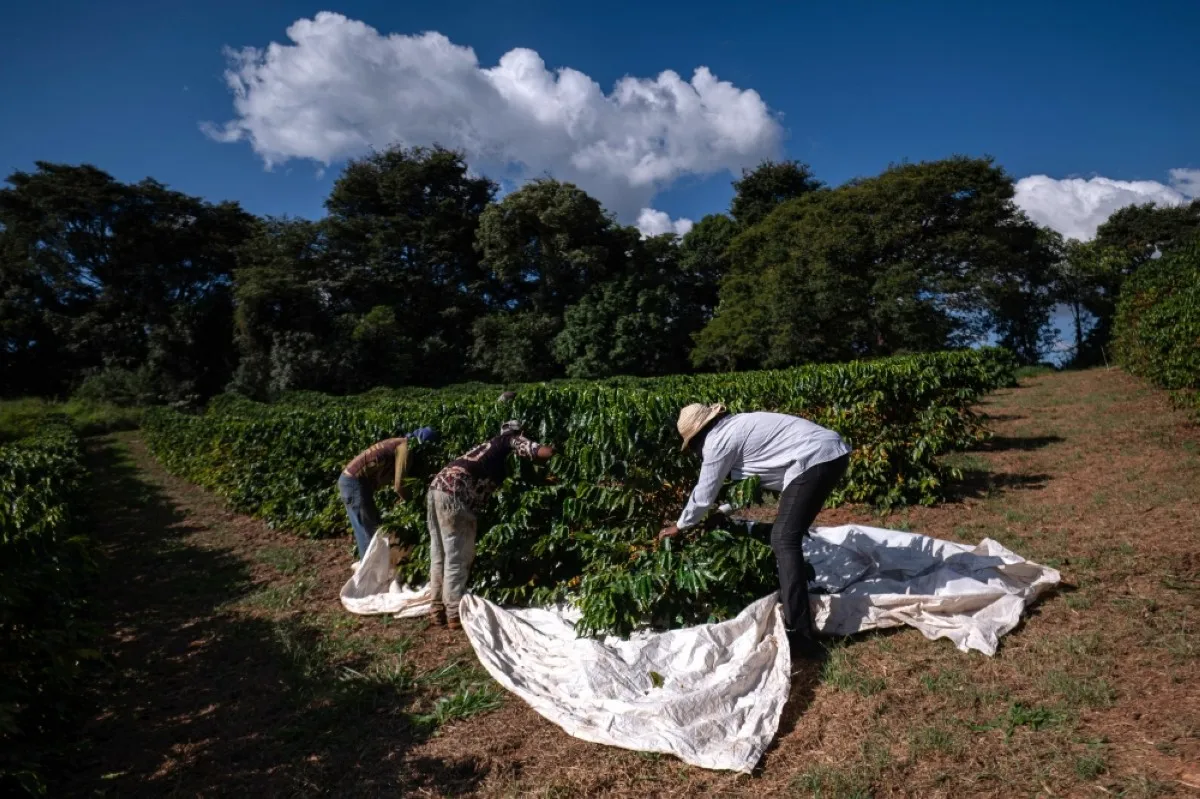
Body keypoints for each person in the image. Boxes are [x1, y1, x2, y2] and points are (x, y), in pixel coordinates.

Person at [659, 404, 851, 660]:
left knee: (783, 539)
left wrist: (680, 526)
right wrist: (724, 511)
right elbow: (754, 485)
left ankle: (801, 635)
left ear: (697, 436)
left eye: (693, 446)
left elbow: (703, 495)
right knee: (788, 536)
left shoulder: (717, 441)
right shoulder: (736, 428)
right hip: (831, 453)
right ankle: (796, 607)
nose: (697, 452)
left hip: (813, 459)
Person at [426, 420, 554, 629]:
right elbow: (540, 452)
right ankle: (453, 614)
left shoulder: (488, 446)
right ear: (519, 432)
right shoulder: (509, 440)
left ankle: (435, 608)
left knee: (438, 552)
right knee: (458, 556)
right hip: (456, 493)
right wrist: (558, 451)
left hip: (436, 488)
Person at [339, 427, 439, 562]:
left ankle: (375, 568)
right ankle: (370, 574)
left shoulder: (399, 442)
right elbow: (399, 485)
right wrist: (414, 503)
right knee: (368, 533)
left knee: (373, 528)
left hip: (353, 482)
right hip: (354, 483)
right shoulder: (405, 447)